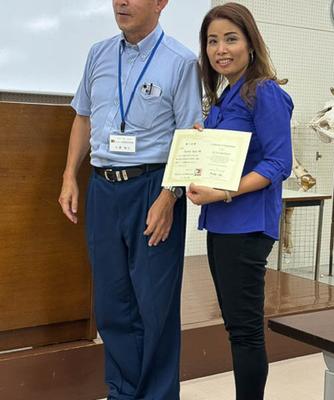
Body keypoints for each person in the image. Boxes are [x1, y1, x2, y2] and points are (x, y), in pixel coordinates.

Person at [58, 0, 202, 399]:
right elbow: (83, 116)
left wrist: (169, 197)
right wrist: (70, 174)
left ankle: (156, 394)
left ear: (161, 4)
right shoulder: (99, 53)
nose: (121, 2)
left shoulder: (181, 61)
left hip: (152, 188)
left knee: (154, 306)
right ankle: (122, 391)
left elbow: (189, 137)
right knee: (112, 302)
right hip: (103, 189)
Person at [187, 3, 293, 399]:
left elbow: (279, 162)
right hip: (222, 225)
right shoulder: (226, 96)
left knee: (245, 330)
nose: (221, 49)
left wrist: (224, 191)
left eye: (231, 38)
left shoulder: (263, 91)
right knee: (236, 326)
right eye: (212, 41)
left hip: (246, 226)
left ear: (251, 43)